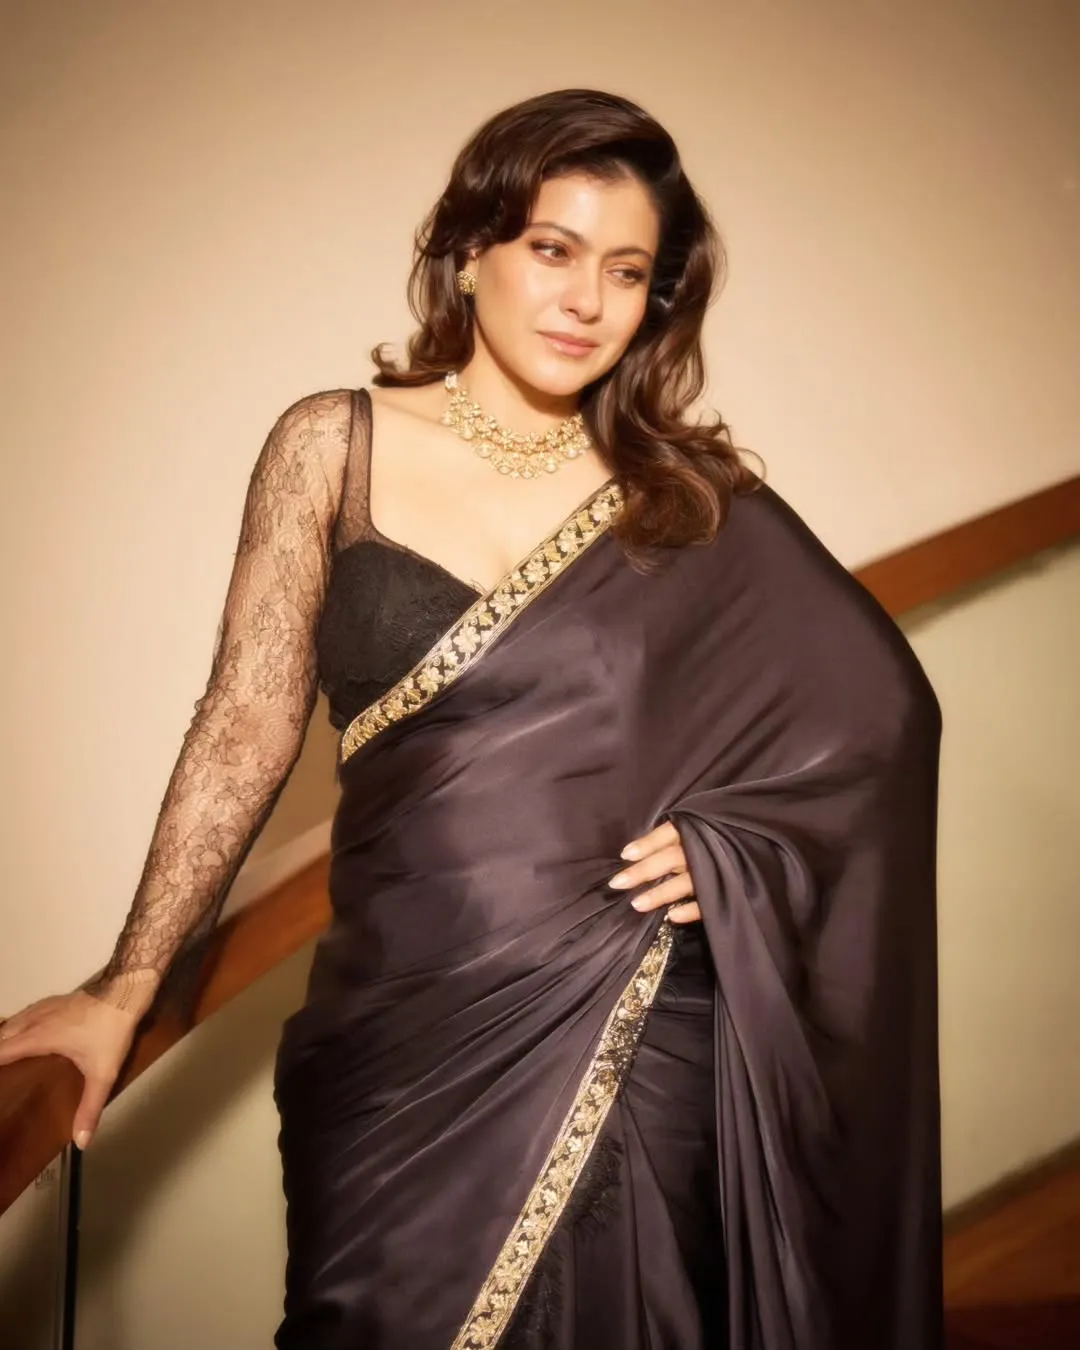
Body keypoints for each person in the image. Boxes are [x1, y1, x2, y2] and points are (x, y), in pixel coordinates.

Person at [0, 88, 944, 1349]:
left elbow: (885, 719)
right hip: (398, 1037)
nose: (585, 300)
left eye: (627, 272)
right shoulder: (332, 445)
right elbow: (245, 721)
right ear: (469, 249)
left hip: (632, 1031)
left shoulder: (683, 501)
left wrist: (737, 849)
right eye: (553, 250)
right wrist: (127, 986)